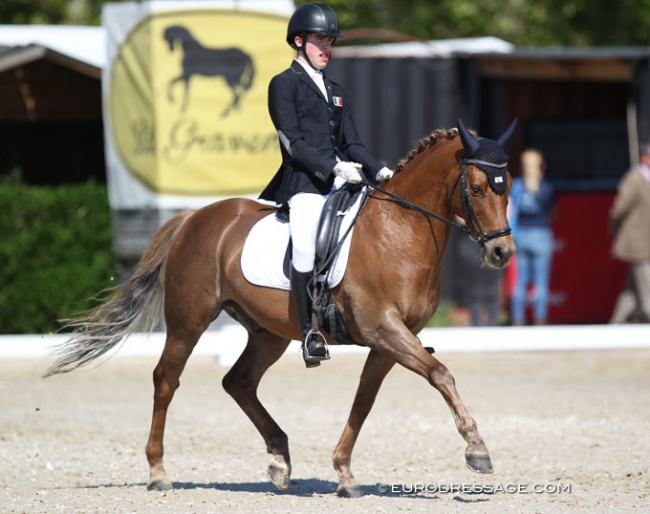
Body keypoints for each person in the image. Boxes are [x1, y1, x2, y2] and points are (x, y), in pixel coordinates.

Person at [259, 3, 393, 367]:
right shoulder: (283, 84)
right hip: (305, 183)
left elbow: (353, 143)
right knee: (304, 247)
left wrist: (379, 171)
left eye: (330, 42)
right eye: (320, 41)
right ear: (299, 41)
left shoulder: (336, 89)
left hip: (345, 180)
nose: (326, 49)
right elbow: (294, 144)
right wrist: (333, 168)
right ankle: (308, 334)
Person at [508, 149, 555, 326]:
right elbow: (553, 213)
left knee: (520, 282)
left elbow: (511, 210)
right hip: (541, 234)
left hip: (521, 234)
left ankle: (518, 319)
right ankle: (540, 319)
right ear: (541, 165)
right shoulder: (547, 187)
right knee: (541, 282)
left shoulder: (517, 186)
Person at [608, 142, 650, 323]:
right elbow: (618, 209)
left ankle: (616, 324)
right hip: (637, 241)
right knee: (646, 285)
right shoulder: (635, 178)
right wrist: (616, 230)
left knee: (631, 290)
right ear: (644, 157)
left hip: (646, 240)